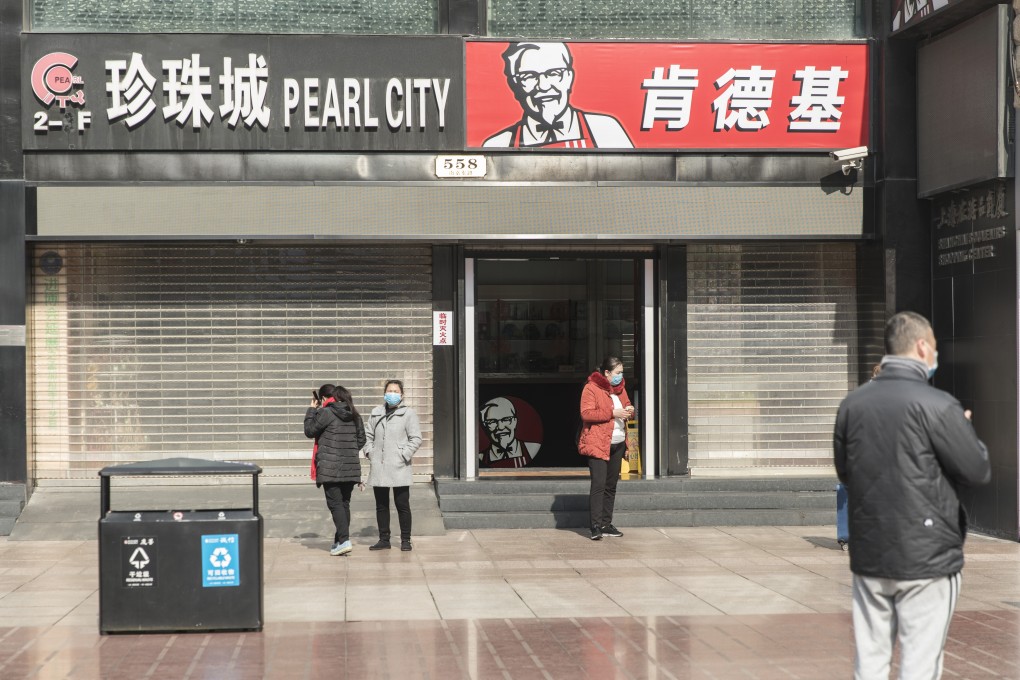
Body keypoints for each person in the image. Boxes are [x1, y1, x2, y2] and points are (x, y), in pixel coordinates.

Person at [834, 311, 990, 680]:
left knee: (869, 662)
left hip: (870, 553)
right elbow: (977, 469)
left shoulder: (852, 405)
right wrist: (963, 430)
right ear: (922, 346)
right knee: (920, 664)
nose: (936, 353)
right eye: (934, 345)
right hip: (927, 558)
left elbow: (847, 473)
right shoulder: (940, 406)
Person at [482, 42, 634, 149]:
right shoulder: (498, 144)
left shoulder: (604, 129)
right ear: (514, 84)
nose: (543, 86)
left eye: (553, 74)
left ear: (569, 78)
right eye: (529, 76)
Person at [304, 384, 366, 557]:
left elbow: (309, 431)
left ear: (323, 398)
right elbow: (361, 439)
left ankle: (344, 540)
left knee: (336, 504)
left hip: (330, 467)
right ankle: (339, 542)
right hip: (350, 466)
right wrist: (347, 452)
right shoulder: (354, 414)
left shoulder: (326, 413)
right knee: (344, 504)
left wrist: (311, 410)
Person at [577, 355, 634, 541]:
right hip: (598, 443)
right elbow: (586, 414)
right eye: (617, 373)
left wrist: (629, 410)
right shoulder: (591, 388)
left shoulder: (620, 389)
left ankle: (606, 523)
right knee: (599, 485)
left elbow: (625, 405)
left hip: (618, 442)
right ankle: (594, 525)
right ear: (607, 372)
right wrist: (612, 413)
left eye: (622, 372)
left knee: (611, 486)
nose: (620, 376)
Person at [364, 379, 422, 551]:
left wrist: (403, 454)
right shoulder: (376, 412)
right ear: (384, 393)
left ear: (402, 394)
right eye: (390, 390)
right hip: (379, 465)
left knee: (402, 504)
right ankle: (384, 539)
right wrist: (370, 453)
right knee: (381, 505)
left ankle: (405, 540)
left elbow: (416, 438)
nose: (393, 394)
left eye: (396, 391)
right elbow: (368, 436)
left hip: (399, 466)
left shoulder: (408, 414)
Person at [479, 396, 541, 468]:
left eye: (506, 419)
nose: (500, 427)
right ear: (485, 426)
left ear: (515, 422)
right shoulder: (477, 458)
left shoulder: (532, 449)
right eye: (492, 421)